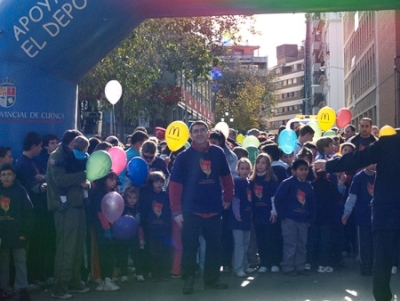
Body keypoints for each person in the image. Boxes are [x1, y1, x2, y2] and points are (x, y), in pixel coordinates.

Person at [314, 130, 400, 301]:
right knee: (382, 258)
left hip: (387, 210)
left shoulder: (390, 141)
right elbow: (360, 157)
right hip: (388, 211)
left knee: (383, 258)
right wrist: (330, 165)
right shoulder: (390, 141)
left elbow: (360, 157)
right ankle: (383, 297)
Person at [169, 120, 234, 295]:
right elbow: (174, 186)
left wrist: (228, 197)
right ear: (190, 135)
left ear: (208, 132)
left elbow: (227, 177)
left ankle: (212, 280)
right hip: (190, 211)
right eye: (195, 131)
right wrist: (176, 211)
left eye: (202, 130)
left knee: (215, 247)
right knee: (190, 248)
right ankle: (188, 280)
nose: (199, 133)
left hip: (213, 209)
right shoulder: (183, 157)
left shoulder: (218, 153)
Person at [47, 130, 90, 299]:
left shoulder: (77, 155)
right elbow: (61, 180)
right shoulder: (57, 156)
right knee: (66, 248)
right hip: (64, 208)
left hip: (78, 205)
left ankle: (74, 282)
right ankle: (59, 287)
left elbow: (86, 179)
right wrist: (84, 175)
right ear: (70, 143)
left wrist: (88, 183)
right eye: (77, 143)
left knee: (78, 246)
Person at [275, 159, 316, 276]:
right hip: (289, 219)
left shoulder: (308, 186)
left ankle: (300, 266)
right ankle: (288, 267)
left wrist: (311, 218)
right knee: (290, 244)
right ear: (294, 171)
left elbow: (312, 203)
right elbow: (278, 199)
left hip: (303, 219)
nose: (303, 172)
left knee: (302, 244)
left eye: (305, 169)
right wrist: (282, 215)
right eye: (301, 169)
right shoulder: (287, 183)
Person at [0, 163, 34, 301]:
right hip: (2, 236)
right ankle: (4, 289)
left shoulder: (20, 191)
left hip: (18, 234)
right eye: (3, 175)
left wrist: (25, 233)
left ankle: (22, 289)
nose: (6, 177)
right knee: (3, 264)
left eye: (9, 174)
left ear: (14, 176)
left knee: (20, 262)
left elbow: (29, 213)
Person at [342, 163, 376, 276]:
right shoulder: (359, 177)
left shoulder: (379, 176)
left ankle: (375, 265)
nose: (373, 165)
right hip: (363, 216)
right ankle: (365, 266)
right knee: (364, 242)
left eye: (375, 163)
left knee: (375, 243)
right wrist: (347, 212)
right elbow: (352, 196)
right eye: (371, 163)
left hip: (377, 216)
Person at [90, 171, 121, 292]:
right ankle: (106, 279)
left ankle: (107, 279)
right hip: (103, 227)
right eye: (111, 179)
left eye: (114, 180)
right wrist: (106, 227)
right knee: (105, 253)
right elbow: (100, 211)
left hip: (111, 226)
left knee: (109, 252)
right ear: (104, 180)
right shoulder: (99, 193)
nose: (114, 182)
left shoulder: (113, 192)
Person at [249, 153, 280, 273]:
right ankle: (264, 262)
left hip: (269, 213)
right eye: (258, 162)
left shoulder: (272, 180)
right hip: (257, 214)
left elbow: (274, 197)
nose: (260, 165)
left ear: (268, 165)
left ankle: (274, 262)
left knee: (271, 239)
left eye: (263, 163)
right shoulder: (252, 180)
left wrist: (274, 212)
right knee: (260, 239)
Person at [139, 171, 172, 282]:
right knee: (153, 252)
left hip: (164, 229)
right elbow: (144, 212)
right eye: (156, 182)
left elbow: (169, 211)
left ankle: (164, 273)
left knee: (164, 252)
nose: (159, 184)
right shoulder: (147, 196)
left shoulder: (166, 196)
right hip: (152, 229)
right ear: (151, 183)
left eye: (161, 182)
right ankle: (154, 273)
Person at [50, 136, 90, 211]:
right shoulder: (86, 156)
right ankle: (86, 197)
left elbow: (64, 162)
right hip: (73, 204)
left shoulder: (71, 155)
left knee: (62, 189)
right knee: (84, 186)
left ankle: (64, 202)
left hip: (72, 172)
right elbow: (60, 180)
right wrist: (85, 174)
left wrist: (55, 163)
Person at [230, 158, 254, 278]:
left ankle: (244, 265)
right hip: (238, 219)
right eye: (242, 169)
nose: (245, 171)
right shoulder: (237, 182)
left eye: (247, 169)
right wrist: (237, 214)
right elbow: (235, 200)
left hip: (247, 217)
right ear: (237, 169)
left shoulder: (249, 183)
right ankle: (237, 267)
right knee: (239, 244)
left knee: (246, 243)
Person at [120, 186, 146, 282]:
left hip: (134, 234)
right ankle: (123, 274)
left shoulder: (137, 209)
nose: (132, 200)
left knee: (136, 254)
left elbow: (140, 225)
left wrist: (141, 238)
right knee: (123, 254)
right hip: (123, 235)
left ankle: (139, 273)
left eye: (134, 198)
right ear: (126, 198)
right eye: (130, 197)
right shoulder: (122, 208)